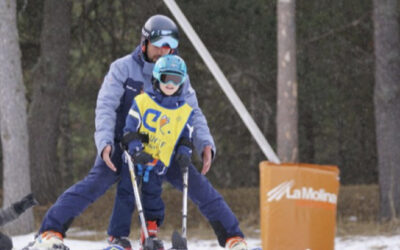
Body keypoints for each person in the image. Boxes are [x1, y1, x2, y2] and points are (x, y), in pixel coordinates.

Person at [25, 14, 247, 250]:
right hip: (126, 146)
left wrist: (205, 143)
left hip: (164, 147)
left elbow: (192, 111)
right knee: (94, 184)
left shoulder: (177, 72)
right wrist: (105, 142)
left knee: (200, 187)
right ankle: (50, 232)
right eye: (159, 45)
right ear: (145, 42)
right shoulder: (123, 68)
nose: (164, 52)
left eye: (171, 47)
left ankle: (234, 239)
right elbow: (106, 107)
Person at [120, 54, 194, 250]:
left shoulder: (184, 111)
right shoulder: (143, 101)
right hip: (138, 159)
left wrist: (185, 152)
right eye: (166, 78)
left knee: (153, 196)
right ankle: (118, 237)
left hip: (159, 162)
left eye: (175, 79)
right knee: (127, 195)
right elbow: (129, 129)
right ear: (156, 78)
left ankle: (150, 232)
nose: (170, 83)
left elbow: (186, 136)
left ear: (182, 82)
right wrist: (135, 150)